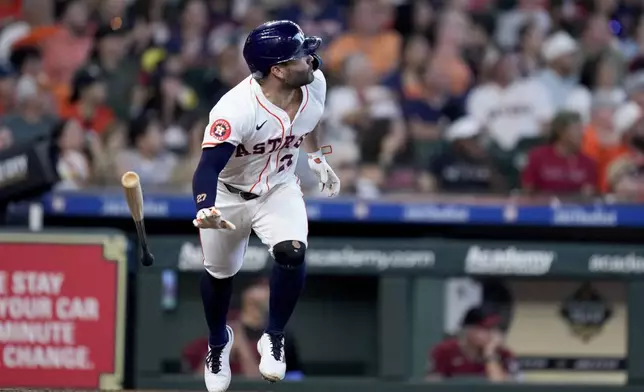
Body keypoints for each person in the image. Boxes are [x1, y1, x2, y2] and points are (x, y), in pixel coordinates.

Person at [191, 20, 340, 392]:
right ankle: (217, 341)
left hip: (279, 188)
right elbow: (207, 167)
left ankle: (273, 336)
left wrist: (320, 160)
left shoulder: (314, 82)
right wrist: (206, 206)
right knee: (219, 274)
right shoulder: (236, 109)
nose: (312, 58)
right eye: (302, 55)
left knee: (292, 252)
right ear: (278, 69)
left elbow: (309, 123)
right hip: (229, 193)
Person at [427, 306, 519, 382]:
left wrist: (489, 354)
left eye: (494, 328)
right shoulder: (445, 350)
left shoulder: (503, 354)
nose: (491, 334)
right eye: (485, 329)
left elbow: (503, 388)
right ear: (468, 329)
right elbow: (431, 385)